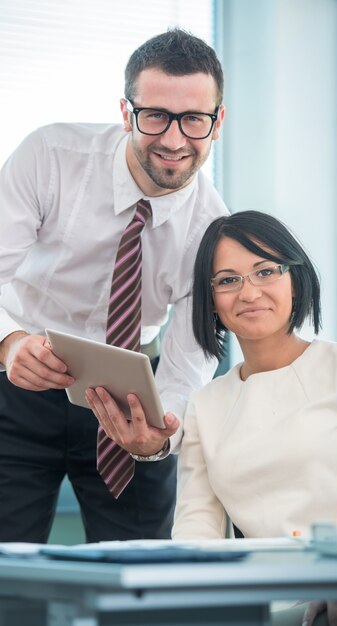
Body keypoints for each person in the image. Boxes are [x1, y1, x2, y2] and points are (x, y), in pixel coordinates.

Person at [0, 28, 227, 543]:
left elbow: (192, 357)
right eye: (155, 117)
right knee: (7, 575)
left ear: (218, 123)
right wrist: (8, 342)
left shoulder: (214, 230)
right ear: (127, 113)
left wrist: (157, 437)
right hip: (18, 378)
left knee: (143, 575)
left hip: (133, 397)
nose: (174, 140)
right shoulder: (50, 156)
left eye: (194, 120)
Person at [169, 210, 337, 626]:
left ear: (294, 279)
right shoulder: (205, 405)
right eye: (228, 280)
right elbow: (197, 533)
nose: (249, 293)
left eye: (265, 271)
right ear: (210, 298)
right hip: (271, 602)